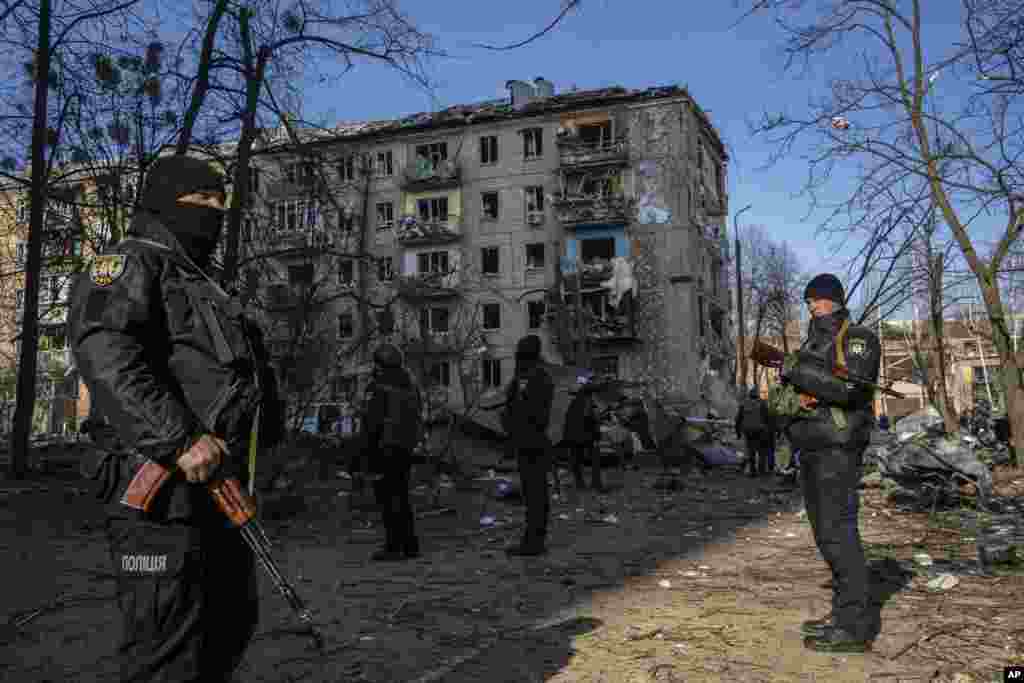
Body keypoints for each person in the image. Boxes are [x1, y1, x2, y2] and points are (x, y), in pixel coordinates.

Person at [69, 155, 283, 682]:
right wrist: (181, 438)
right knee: (168, 651)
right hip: (160, 498)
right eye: (202, 200)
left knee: (228, 628)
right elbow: (105, 349)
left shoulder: (198, 280)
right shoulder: (129, 264)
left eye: (220, 201)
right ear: (165, 201)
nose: (216, 211)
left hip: (217, 493)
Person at [779, 273, 881, 653]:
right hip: (812, 448)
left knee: (840, 535)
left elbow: (850, 389)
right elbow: (810, 388)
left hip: (838, 449)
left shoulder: (857, 338)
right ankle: (842, 615)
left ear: (836, 301)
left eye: (818, 300)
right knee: (826, 537)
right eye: (808, 300)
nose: (812, 305)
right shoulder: (812, 341)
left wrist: (796, 371)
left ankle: (854, 629)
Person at [360, 343, 422, 561]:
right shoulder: (411, 385)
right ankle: (410, 544)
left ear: (379, 364)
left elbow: (371, 423)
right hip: (405, 448)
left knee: (388, 499)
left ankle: (393, 546)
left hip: (383, 448)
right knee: (403, 497)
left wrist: (364, 453)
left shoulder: (378, 387)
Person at [501, 335, 555, 556]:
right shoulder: (538, 376)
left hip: (530, 440)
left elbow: (524, 409)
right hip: (532, 439)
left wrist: (510, 420)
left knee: (534, 493)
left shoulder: (531, 377)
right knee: (535, 492)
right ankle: (534, 539)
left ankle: (533, 542)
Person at [564, 388, 602, 491]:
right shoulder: (587, 401)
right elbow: (588, 416)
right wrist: (596, 430)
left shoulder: (573, 404)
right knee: (594, 459)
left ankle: (580, 484)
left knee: (575, 461)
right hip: (585, 435)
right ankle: (596, 484)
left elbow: (567, 421)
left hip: (572, 436)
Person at [735, 387, 775, 477]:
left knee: (751, 451)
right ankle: (762, 471)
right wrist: (770, 431)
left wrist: (738, 433)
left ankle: (752, 471)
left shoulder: (744, 403)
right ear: (757, 395)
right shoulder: (762, 403)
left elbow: (738, 419)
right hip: (760, 431)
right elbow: (768, 418)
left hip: (748, 431)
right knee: (762, 451)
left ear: (749, 394)